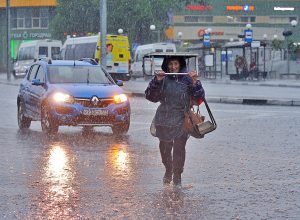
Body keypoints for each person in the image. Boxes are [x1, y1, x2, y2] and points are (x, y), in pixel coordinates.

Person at [145, 56, 205, 186]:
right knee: (164, 148)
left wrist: (195, 83)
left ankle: (177, 175)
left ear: (180, 64)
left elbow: (199, 99)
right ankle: (168, 169)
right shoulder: (162, 78)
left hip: (181, 119)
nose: (173, 67)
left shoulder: (188, 79)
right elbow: (150, 96)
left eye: (175, 64)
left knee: (179, 148)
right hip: (163, 119)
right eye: (170, 64)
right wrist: (156, 81)